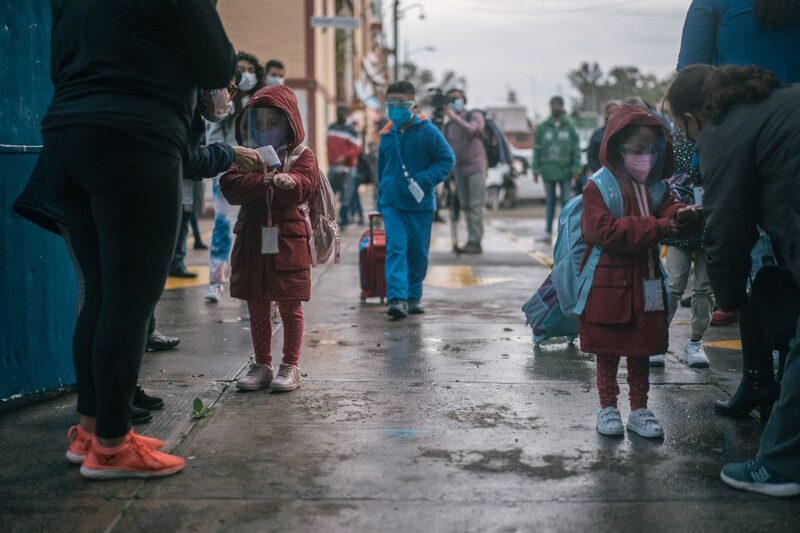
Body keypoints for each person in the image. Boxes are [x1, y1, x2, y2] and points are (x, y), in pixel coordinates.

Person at [43, 0, 235, 479]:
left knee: (102, 294)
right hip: (135, 138)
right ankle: (111, 446)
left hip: (67, 134)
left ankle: (90, 432)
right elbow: (216, 63)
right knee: (130, 302)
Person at [667, 64, 800, 497]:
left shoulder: (721, 131)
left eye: (681, 128)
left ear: (692, 117)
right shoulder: (769, 104)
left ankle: (779, 467)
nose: (685, 137)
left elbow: (725, 235)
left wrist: (732, 303)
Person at [579, 104, 699, 439]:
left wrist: (682, 215)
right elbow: (607, 232)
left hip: (645, 282)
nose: (645, 157)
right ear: (617, 148)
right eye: (637, 150)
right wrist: (660, 226)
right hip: (607, 285)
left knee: (641, 349)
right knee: (608, 351)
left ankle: (640, 408)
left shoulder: (658, 187)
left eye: (651, 149)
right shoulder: (598, 188)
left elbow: (669, 207)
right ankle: (607, 407)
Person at [678, 0, 800, 327]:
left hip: (740, 143)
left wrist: (729, 295)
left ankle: (759, 369)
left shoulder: (712, 3)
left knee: (755, 264)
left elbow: (690, 72)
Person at [220, 84, 317, 392]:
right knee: (257, 302)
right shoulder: (246, 156)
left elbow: (307, 183)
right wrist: (263, 180)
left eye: (272, 123)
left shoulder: (303, 155)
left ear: (289, 124)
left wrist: (292, 181)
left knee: (290, 303)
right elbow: (230, 184)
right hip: (252, 238)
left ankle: (291, 365)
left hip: (288, 240)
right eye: (257, 124)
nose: (264, 131)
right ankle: (262, 364)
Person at [377, 81, 455, 318]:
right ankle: (397, 299)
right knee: (396, 248)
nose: (395, 109)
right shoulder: (386, 134)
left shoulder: (429, 132)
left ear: (414, 105)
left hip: (420, 205)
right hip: (392, 203)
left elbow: (446, 160)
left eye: (400, 104)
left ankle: (413, 296)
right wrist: (380, 197)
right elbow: (381, 169)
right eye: (390, 104)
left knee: (418, 252)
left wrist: (424, 179)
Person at [650, 130, 714, 369]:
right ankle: (657, 341)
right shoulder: (673, 143)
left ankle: (696, 342)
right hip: (679, 221)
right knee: (674, 285)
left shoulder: (716, 135)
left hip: (711, 220)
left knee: (705, 288)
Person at [205, 52, 265, 303]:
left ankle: (255, 281)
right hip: (227, 170)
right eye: (241, 69)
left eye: (251, 69)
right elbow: (213, 132)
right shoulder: (223, 100)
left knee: (257, 226)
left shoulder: (261, 101)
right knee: (222, 226)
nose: (246, 74)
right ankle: (216, 282)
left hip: (256, 170)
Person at [444, 88, 488, 254]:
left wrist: (454, 117)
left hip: (476, 166)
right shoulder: (449, 125)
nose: (455, 101)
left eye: (458, 98)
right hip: (459, 169)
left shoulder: (473, 115)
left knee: (476, 205)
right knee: (466, 205)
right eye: (452, 99)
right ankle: (471, 238)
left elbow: (474, 130)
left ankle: (476, 240)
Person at [533, 96, 582, 241]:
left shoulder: (570, 126)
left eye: (558, 104)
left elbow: (576, 149)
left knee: (566, 201)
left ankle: (566, 232)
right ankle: (548, 232)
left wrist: (576, 168)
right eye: (553, 104)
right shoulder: (543, 127)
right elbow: (537, 149)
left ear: (562, 106)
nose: (556, 107)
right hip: (548, 171)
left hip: (566, 171)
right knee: (550, 202)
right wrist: (535, 169)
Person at [327, 104, 361, 227]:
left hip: (348, 168)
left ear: (346, 115)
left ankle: (345, 218)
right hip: (333, 166)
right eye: (338, 113)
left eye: (343, 113)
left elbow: (356, 149)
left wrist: (344, 156)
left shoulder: (351, 131)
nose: (340, 115)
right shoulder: (331, 127)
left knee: (346, 193)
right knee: (329, 192)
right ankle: (330, 218)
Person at [587, 100, 621, 174]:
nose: (613, 115)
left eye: (615, 112)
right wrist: (600, 172)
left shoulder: (626, 133)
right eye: (610, 113)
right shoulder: (597, 134)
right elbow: (591, 157)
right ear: (606, 115)